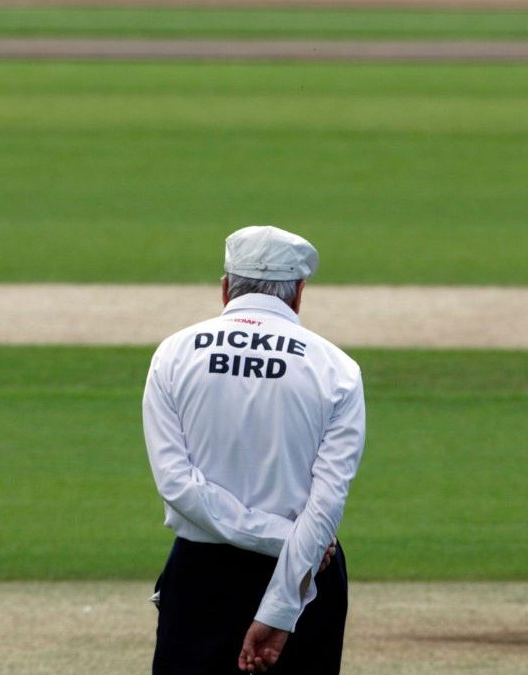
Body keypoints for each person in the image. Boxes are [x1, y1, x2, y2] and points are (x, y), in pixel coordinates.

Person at [142, 225, 366, 674]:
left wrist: (276, 537)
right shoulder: (337, 369)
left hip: (201, 574)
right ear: (298, 293)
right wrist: (282, 599)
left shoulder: (173, 354)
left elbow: (178, 486)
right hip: (307, 570)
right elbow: (325, 505)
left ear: (226, 287)